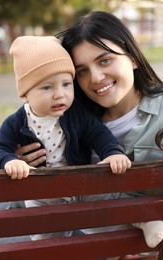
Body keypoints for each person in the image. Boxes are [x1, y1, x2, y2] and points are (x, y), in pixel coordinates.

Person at [15, 11, 163, 257]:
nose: (95, 78)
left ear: (133, 57)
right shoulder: (63, 118)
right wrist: (15, 163)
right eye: (82, 71)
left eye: (105, 60)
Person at [0, 35, 131, 241]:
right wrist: (9, 160)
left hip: (80, 184)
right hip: (42, 193)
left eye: (66, 84)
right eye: (47, 87)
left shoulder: (76, 113)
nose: (59, 95)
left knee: (107, 215)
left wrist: (112, 152)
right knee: (47, 238)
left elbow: (98, 133)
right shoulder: (17, 122)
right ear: (25, 95)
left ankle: (117, 242)